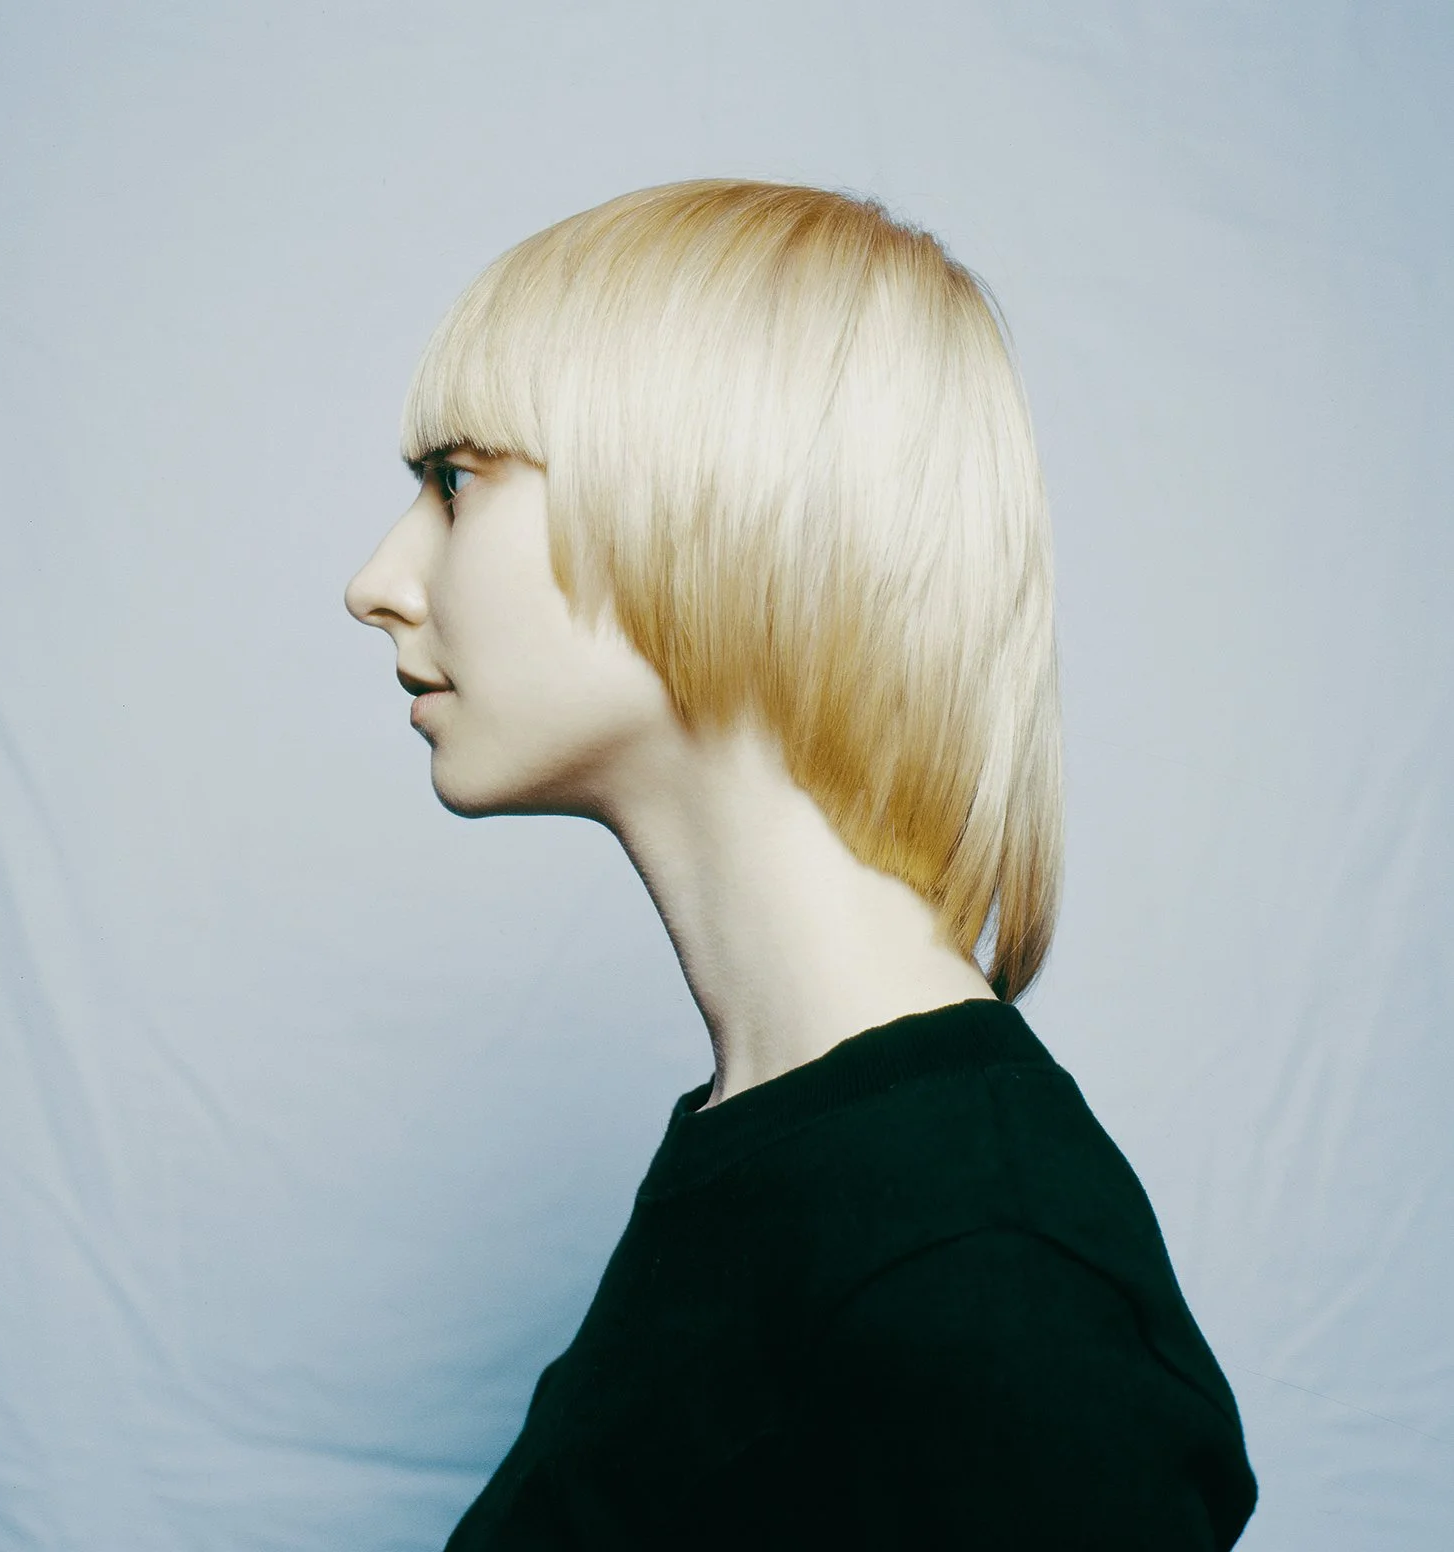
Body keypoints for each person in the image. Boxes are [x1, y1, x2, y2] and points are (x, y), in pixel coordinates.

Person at [343, 178, 1257, 1549]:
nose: (379, 580)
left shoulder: (992, 1282)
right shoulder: (778, 1155)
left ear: (723, 504)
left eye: (458, 481)